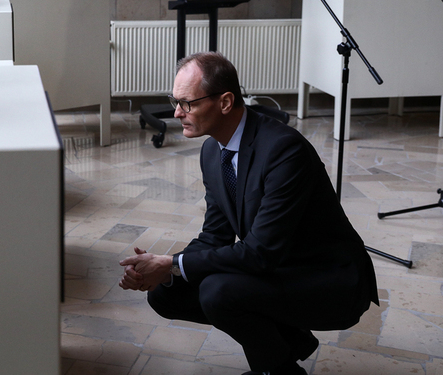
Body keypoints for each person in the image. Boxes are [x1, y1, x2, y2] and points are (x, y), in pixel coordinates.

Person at [119, 52, 378, 375]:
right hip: (276, 267)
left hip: (325, 277)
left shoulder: (284, 149)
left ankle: (278, 370)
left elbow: (259, 253)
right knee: (165, 294)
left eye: (187, 103)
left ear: (225, 102)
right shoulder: (212, 151)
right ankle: (289, 343)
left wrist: (171, 263)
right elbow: (215, 236)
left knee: (218, 292)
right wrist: (164, 272)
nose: (177, 112)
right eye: (176, 101)